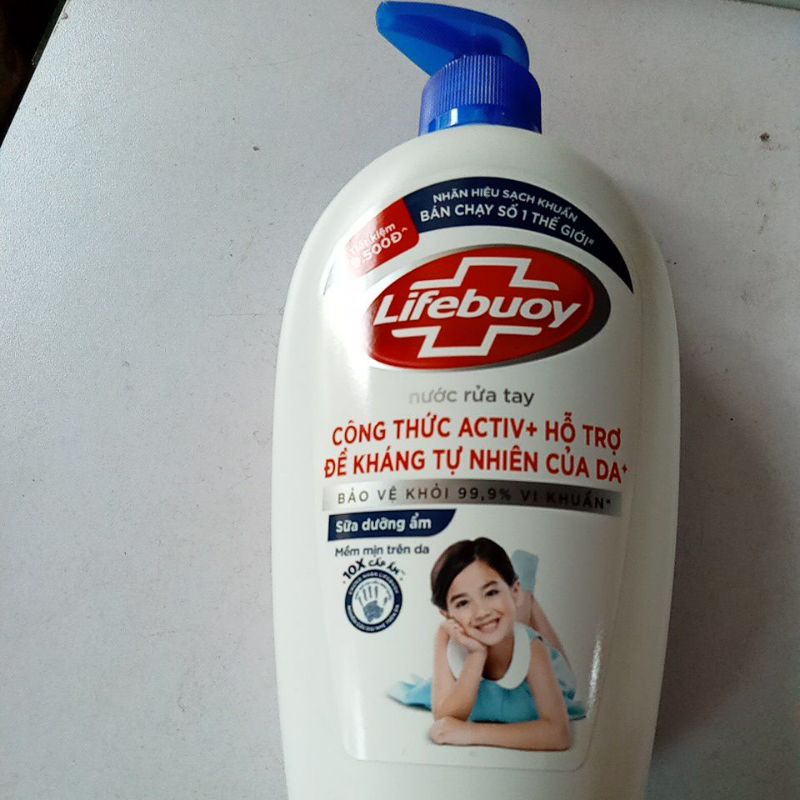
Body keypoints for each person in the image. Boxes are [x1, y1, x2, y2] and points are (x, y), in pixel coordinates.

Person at [390, 538, 584, 751]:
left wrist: (470, 733)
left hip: (531, 661)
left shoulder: (533, 649)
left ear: (514, 590)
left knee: (520, 627)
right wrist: (475, 656)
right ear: (447, 615)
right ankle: (512, 592)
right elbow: (445, 719)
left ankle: (526, 590)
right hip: (496, 636)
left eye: (491, 592)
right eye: (463, 603)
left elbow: (559, 735)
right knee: (501, 621)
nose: (481, 611)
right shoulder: (447, 637)